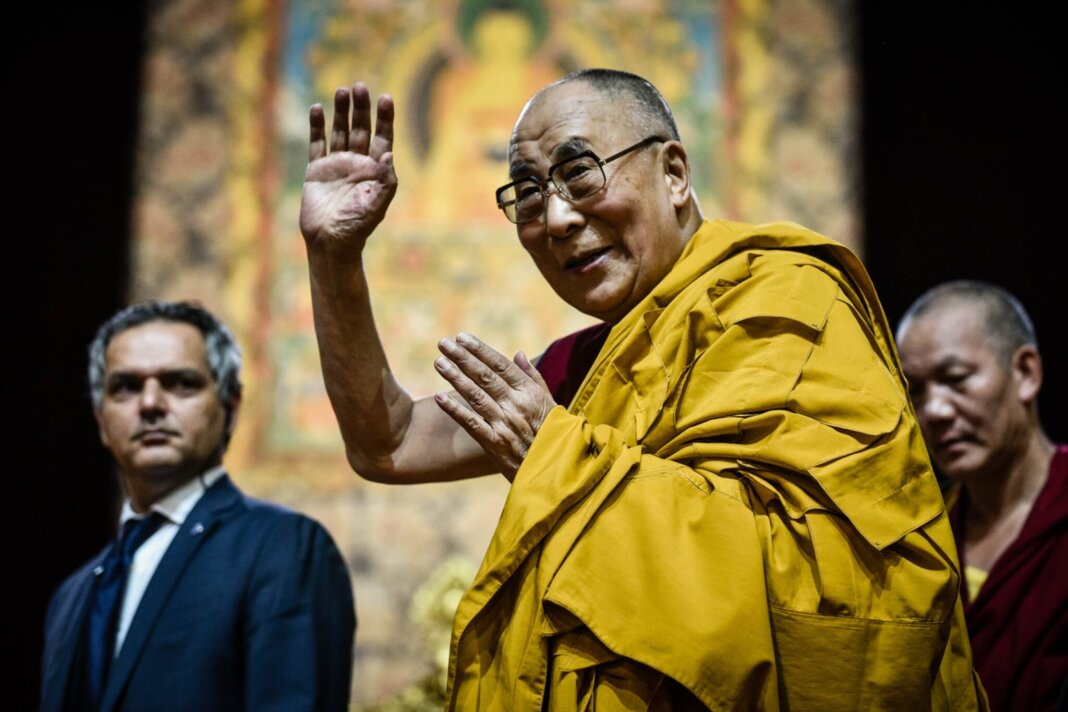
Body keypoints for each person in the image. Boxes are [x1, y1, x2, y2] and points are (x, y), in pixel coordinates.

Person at [299, 68, 985, 709]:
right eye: (529, 192)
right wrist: (334, 255)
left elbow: (842, 593)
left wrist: (556, 460)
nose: (557, 219)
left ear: (674, 173)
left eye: (578, 173)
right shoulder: (586, 366)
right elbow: (389, 442)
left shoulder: (786, 302)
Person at [39, 301, 356, 712]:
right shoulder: (71, 596)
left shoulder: (284, 548)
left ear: (230, 408)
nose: (150, 403)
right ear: (101, 420)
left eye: (181, 383)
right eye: (126, 387)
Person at [896, 280, 1067, 712]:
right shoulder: (919, 534)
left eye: (956, 380)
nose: (934, 411)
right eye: (915, 391)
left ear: (1026, 373)